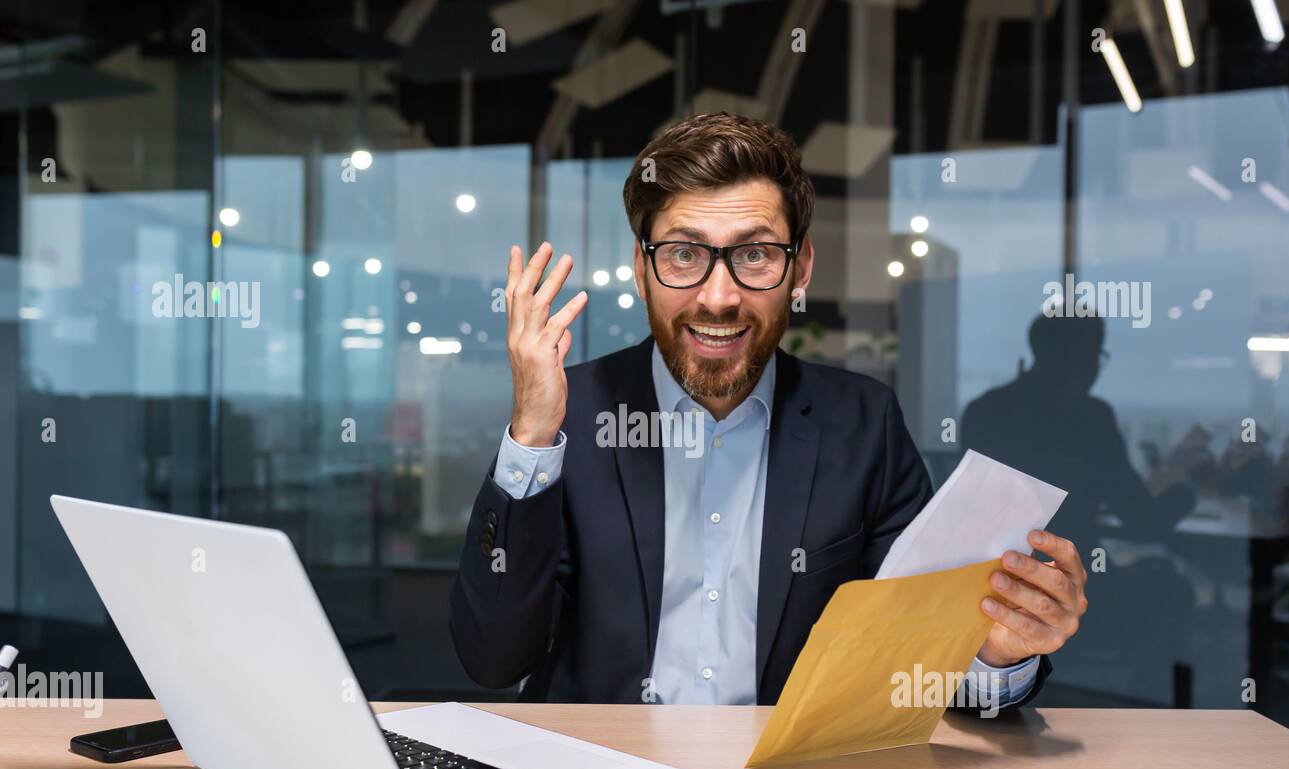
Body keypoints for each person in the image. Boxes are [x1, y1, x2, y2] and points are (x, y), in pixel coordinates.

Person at [449, 112, 1088, 708]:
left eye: (754, 254)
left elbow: (913, 669)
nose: (719, 297)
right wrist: (531, 434)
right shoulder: (571, 417)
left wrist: (995, 657)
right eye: (683, 254)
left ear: (800, 267)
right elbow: (494, 660)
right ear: (641, 271)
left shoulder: (861, 425)